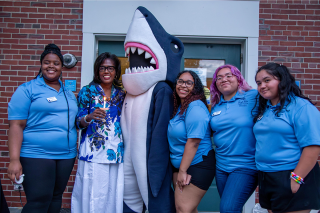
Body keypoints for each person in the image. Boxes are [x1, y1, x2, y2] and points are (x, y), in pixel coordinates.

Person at [7, 44, 78, 213]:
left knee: (55, 199)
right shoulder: (27, 89)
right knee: (38, 201)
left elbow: (72, 120)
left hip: (66, 155)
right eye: (47, 62)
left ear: (62, 66)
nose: (51, 66)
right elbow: (16, 125)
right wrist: (14, 160)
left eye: (56, 63)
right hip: (36, 154)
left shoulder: (68, 93)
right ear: (41, 64)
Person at [254, 63, 320, 213]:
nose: (262, 86)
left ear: (282, 80)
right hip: (267, 176)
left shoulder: (301, 106)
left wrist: (296, 179)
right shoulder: (265, 109)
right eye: (258, 83)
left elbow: (312, 147)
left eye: (267, 80)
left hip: (292, 174)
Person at [71, 52, 125, 213]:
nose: (106, 71)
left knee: (112, 193)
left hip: (115, 152)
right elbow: (77, 123)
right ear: (97, 71)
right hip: (92, 153)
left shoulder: (121, 94)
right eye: (102, 68)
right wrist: (89, 117)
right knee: (92, 193)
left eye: (110, 68)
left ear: (116, 71)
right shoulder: (87, 91)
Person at [209, 64, 258, 213]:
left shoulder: (253, 96)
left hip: (245, 166)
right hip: (221, 167)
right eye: (219, 77)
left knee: (228, 208)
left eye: (229, 75)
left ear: (238, 79)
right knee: (231, 209)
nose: (224, 79)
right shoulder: (216, 106)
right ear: (216, 84)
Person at [168, 70, 215, 213]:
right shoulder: (180, 108)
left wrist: (182, 171)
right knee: (189, 210)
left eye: (189, 83)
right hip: (181, 166)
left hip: (197, 165)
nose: (183, 85)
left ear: (196, 87)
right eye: (180, 81)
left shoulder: (195, 107)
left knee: (182, 209)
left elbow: (194, 142)